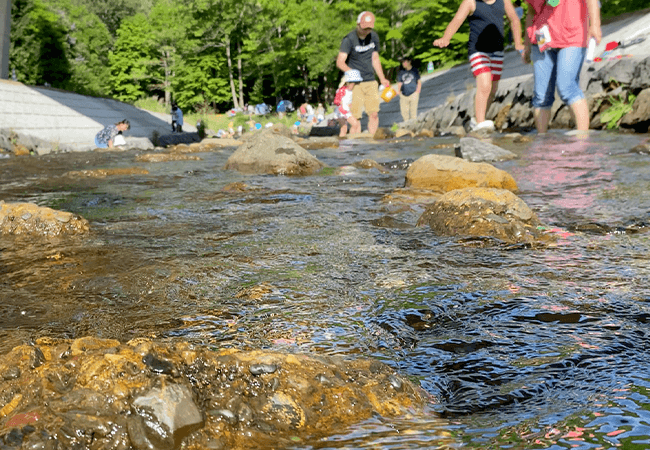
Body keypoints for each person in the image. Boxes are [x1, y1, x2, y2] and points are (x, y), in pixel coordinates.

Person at [434, 0, 523, 132]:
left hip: (497, 50)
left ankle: (477, 120)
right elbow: (456, 20)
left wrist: (518, 43)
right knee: (485, 84)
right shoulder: (470, 2)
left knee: (492, 90)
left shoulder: (503, 1)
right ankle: (480, 122)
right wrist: (446, 37)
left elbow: (514, 19)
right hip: (478, 50)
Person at [522, 0, 601, 134]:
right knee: (541, 96)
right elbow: (531, 11)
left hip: (572, 36)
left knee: (567, 87)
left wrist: (595, 25)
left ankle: (582, 139)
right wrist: (527, 45)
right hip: (542, 39)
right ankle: (542, 142)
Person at [336, 11, 390, 135]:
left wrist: (382, 78)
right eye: (364, 28)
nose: (366, 31)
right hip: (355, 84)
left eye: (369, 28)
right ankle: (357, 147)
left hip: (371, 80)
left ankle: (372, 141)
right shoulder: (349, 39)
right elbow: (340, 62)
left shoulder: (374, 37)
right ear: (358, 24)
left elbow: (375, 59)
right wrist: (351, 72)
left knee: (374, 113)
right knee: (356, 117)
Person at [333, 69, 362, 137]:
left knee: (352, 126)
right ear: (348, 83)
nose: (354, 85)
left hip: (346, 111)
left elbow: (348, 100)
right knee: (346, 127)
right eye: (353, 83)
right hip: (341, 112)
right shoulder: (342, 90)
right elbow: (337, 101)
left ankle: (349, 140)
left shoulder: (350, 91)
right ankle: (346, 141)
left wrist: (350, 105)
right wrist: (342, 107)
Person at [396, 56, 422, 122]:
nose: (403, 64)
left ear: (409, 62)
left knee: (413, 114)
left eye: (404, 62)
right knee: (404, 114)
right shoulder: (401, 72)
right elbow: (399, 83)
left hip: (413, 94)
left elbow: (419, 81)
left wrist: (417, 92)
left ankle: (414, 127)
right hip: (404, 95)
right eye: (402, 62)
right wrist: (399, 92)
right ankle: (407, 128)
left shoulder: (415, 70)